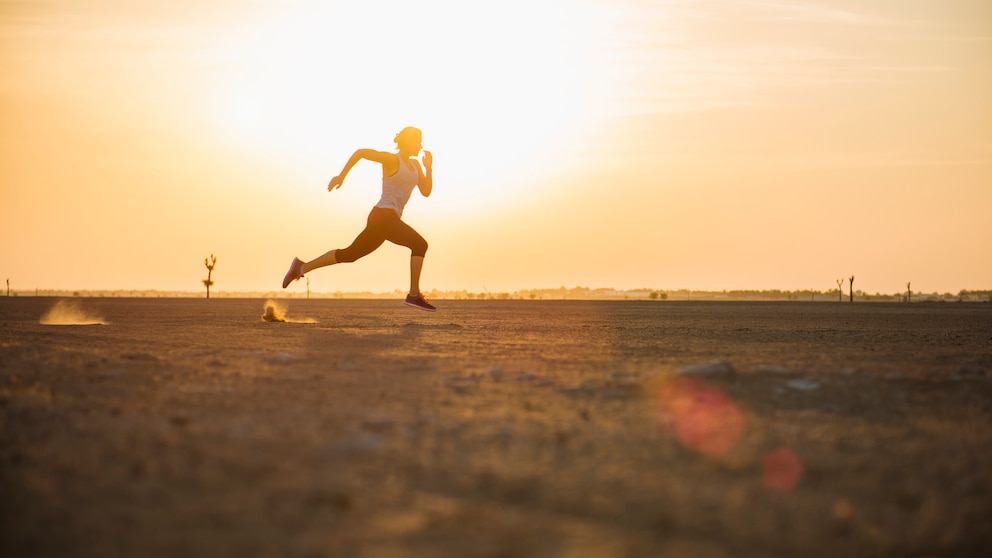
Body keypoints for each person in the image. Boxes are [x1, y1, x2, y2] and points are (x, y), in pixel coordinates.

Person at [282, 126, 436, 311]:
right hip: (383, 216)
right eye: (417, 141)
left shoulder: (416, 166)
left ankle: (301, 268)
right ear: (407, 141)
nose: (420, 145)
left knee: (350, 255)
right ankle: (413, 295)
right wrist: (342, 176)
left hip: (387, 219)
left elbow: (426, 191)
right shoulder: (391, 159)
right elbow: (361, 153)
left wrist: (428, 168)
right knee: (420, 245)